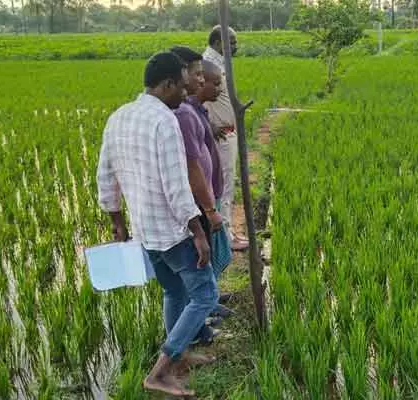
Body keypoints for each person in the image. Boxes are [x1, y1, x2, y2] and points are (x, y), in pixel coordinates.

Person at [97, 52, 216, 398]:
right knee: (205, 294)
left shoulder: (118, 117)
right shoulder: (164, 121)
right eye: (181, 85)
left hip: (145, 230)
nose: (185, 92)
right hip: (172, 230)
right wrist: (197, 231)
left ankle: (179, 359)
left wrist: (117, 222)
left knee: (174, 291)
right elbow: (176, 185)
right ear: (166, 85)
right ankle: (161, 371)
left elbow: (105, 176)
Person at [169, 46, 233, 345]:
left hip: (208, 196)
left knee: (205, 267)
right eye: (196, 75)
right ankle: (196, 332)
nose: (215, 87)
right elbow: (192, 165)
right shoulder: (182, 114)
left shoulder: (194, 110)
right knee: (193, 274)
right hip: (198, 203)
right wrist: (208, 209)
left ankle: (207, 308)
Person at [203, 25, 250, 252]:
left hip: (227, 133)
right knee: (223, 188)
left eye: (235, 41)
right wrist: (209, 125)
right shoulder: (207, 65)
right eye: (230, 42)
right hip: (220, 136)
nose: (234, 46)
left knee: (227, 185)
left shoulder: (220, 64)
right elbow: (195, 97)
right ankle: (225, 237)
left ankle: (228, 231)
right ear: (217, 42)